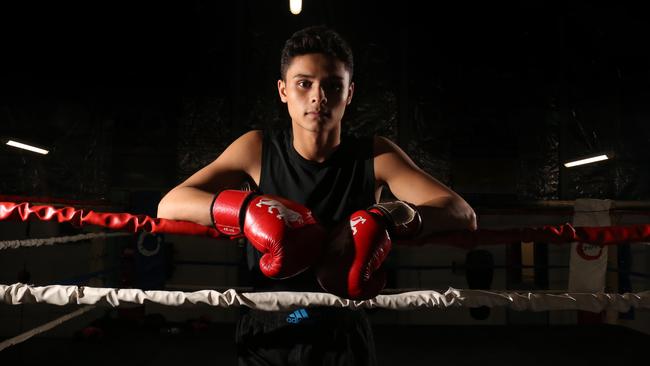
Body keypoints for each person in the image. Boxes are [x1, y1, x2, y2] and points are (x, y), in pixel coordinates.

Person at [158, 25, 476, 366]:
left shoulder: (375, 156)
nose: (318, 96)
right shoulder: (256, 149)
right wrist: (246, 209)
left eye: (333, 85)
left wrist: (389, 215)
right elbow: (170, 204)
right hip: (267, 333)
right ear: (282, 90)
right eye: (304, 83)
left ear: (349, 93)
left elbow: (461, 213)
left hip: (342, 330)